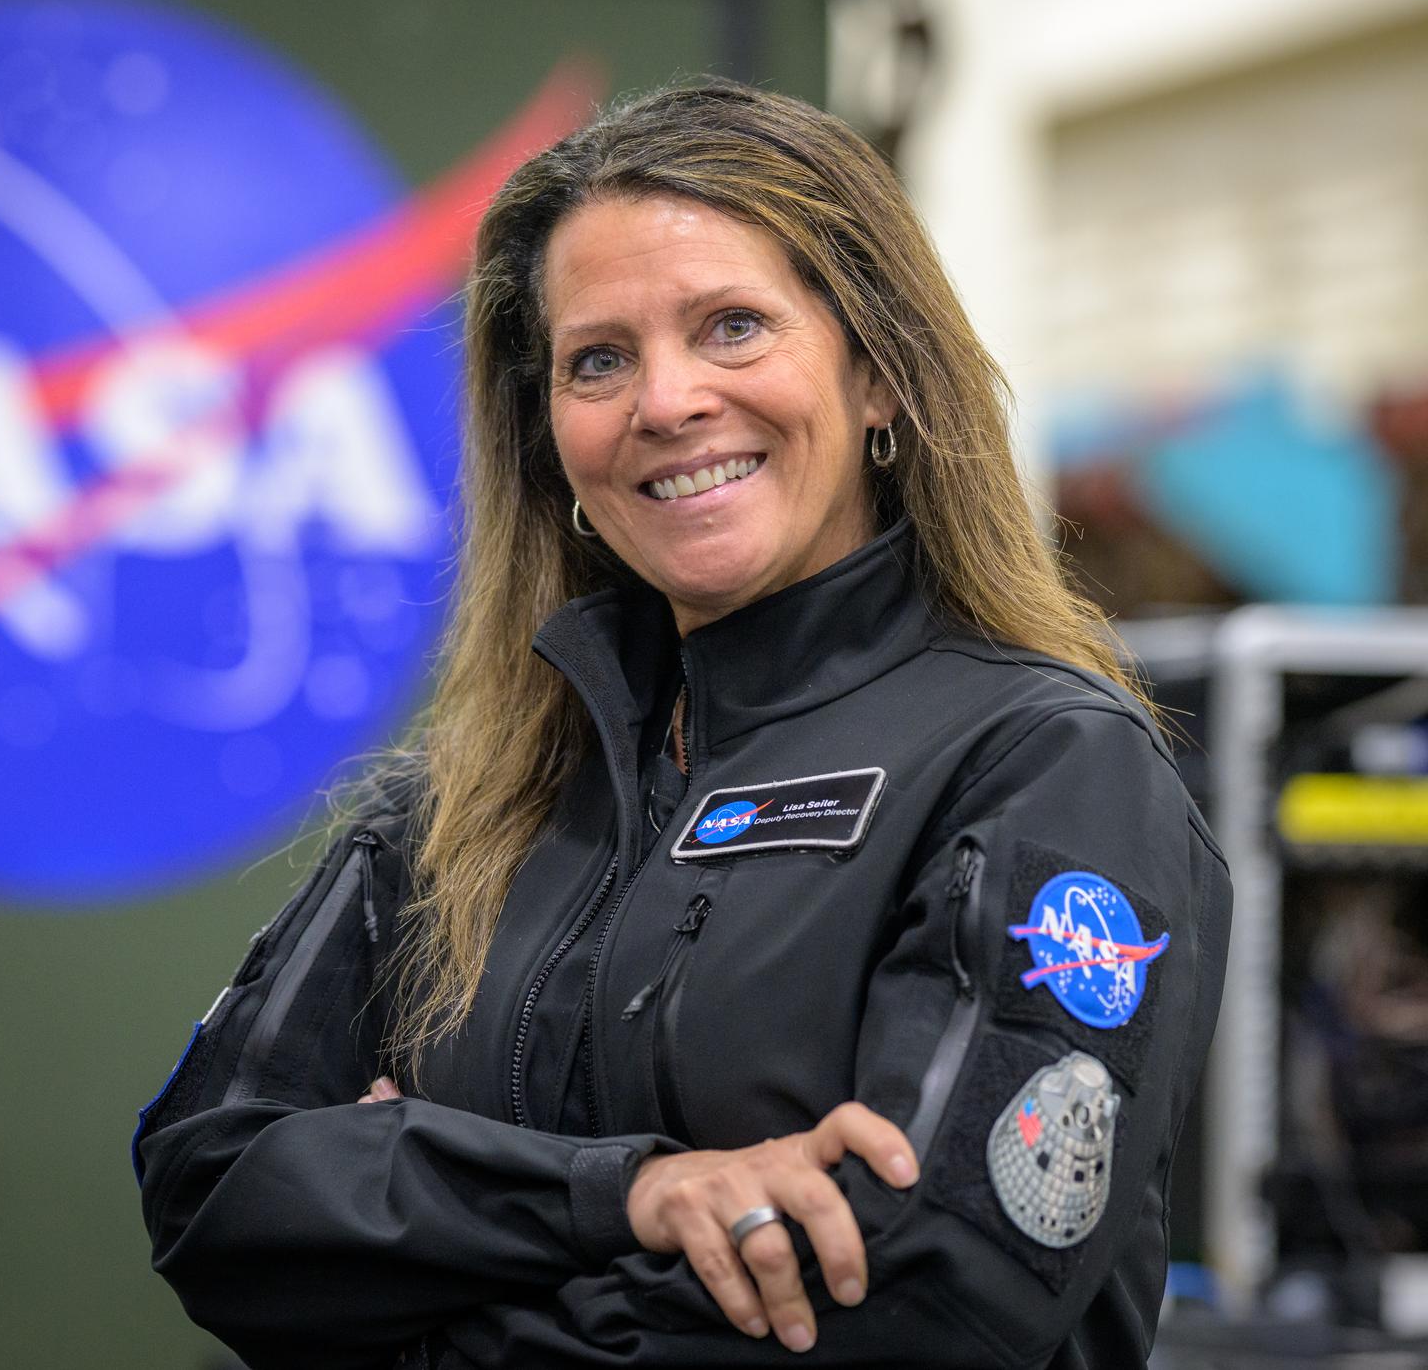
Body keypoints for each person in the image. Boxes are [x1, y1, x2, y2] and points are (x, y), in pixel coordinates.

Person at [131, 80, 1230, 1370]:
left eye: (734, 327)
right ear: (550, 441)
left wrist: (410, 1261)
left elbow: (934, 1299)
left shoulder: (1044, 765)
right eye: (599, 360)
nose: (666, 402)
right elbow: (211, 1186)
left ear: (878, 374)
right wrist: (632, 1194)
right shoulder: (465, 805)